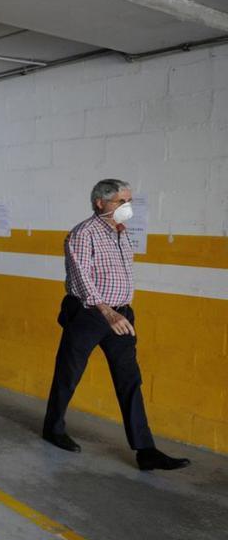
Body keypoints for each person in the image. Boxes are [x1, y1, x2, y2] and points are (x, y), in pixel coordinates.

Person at [42, 179, 190, 471]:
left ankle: (145, 450)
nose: (127, 207)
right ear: (100, 203)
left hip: (122, 315)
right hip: (90, 314)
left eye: (129, 201)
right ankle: (53, 428)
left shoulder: (121, 233)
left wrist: (121, 311)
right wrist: (107, 313)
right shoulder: (83, 234)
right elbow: (82, 277)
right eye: (121, 202)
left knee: (129, 380)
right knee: (68, 374)